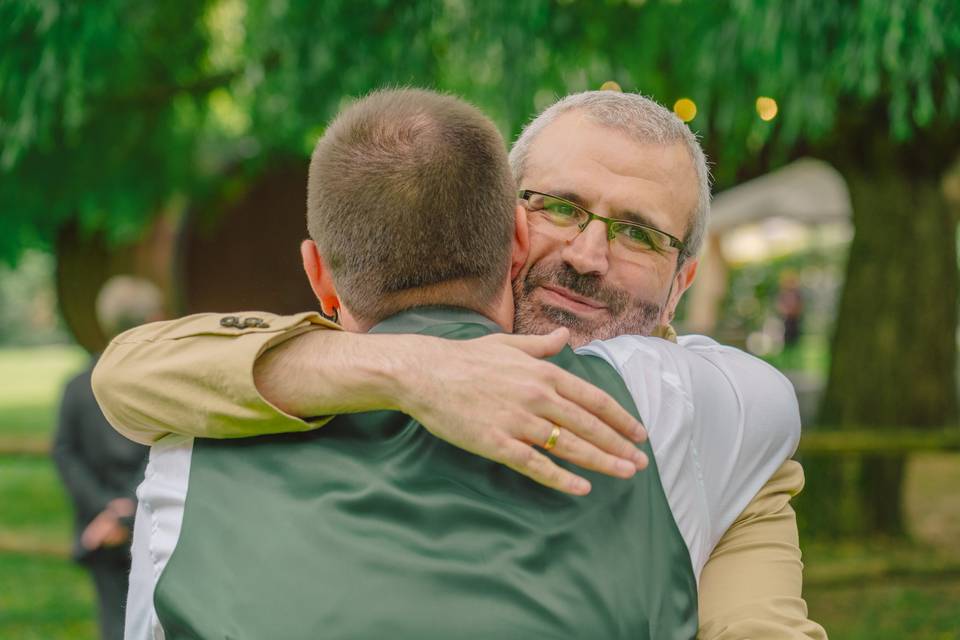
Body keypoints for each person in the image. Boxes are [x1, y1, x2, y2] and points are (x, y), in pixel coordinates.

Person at [94, 90, 824, 638]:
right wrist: (414, 370)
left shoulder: (714, 437)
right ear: (506, 220)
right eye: (561, 208)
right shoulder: (325, 357)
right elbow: (133, 373)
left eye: (638, 233)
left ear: (680, 286)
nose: (586, 257)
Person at [52, 276, 161, 640]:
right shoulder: (159, 387)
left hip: (99, 526)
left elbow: (65, 454)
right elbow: (160, 451)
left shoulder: (77, 385)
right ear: (149, 321)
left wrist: (104, 509)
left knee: (115, 624)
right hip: (149, 523)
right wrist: (126, 510)